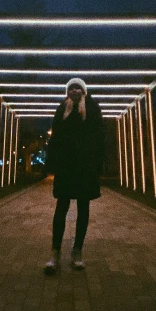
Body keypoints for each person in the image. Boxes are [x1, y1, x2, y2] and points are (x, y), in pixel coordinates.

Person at [44, 78, 105, 273]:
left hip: (85, 168)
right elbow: (55, 138)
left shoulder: (93, 109)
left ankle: (77, 251)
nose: (75, 90)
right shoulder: (62, 109)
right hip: (66, 167)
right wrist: (51, 163)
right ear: (67, 92)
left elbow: (100, 138)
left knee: (83, 209)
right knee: (61, 208)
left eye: (79, 87)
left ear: (84, 91)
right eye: (71, 88)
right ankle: (55, 253)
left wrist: (97, 165)